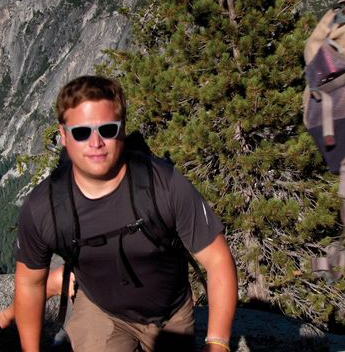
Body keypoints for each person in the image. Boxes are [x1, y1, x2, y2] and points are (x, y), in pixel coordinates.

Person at [14, 75, 238, 352]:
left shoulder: (163, 185)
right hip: (101, 311)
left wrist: (217, 343)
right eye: (81, 132)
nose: (96, 142)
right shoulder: (44, 206)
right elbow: (29, 283)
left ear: (122, 130)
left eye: (107, 129)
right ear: (64, 136)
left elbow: (218, 261)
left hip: (170, 313)